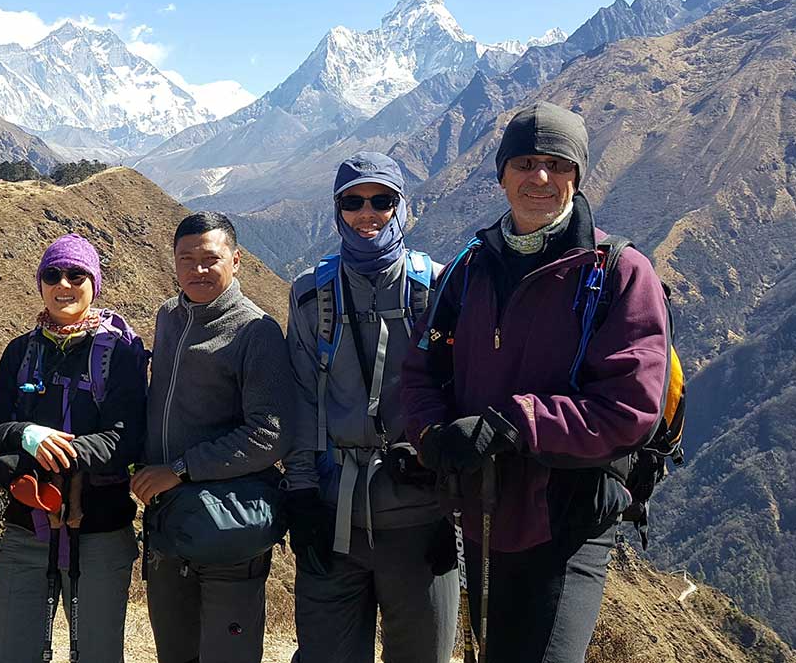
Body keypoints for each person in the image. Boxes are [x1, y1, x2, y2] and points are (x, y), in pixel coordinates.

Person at [401, 102, 670, 662]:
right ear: (502, 175)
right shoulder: (468, 269)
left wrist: (514, 424)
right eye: (524, 162)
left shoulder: (618, 273)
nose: (540, 178)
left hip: (568, 519)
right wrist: (433, 435)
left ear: (578, 174)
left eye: (557, 163)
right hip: (482, 511)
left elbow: (631, 406)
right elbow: (422, 370)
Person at [283, 152, 458, 663]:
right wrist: (301, 495)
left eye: (382, 200)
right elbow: (300, 397)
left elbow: (460, 395)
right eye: (353, 202)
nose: (367, 214)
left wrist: (453, 505)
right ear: (337, 211)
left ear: (404, 207)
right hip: (333, 514)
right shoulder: (309, 296)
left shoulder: (438, 289)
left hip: (421, 514)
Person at [0, 234, 149, 663]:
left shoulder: (121, 351)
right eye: (52, 274)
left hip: (99, 530)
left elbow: (123, 439)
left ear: (95, 282)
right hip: (26, 526)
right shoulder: (21, 351)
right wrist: (27, 434)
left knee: (96, 652)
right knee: (6, 652)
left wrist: (51, 452)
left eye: (77, 274)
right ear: (40, 283)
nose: (64, 283)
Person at [132, 211, 288, 663]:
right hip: (167, 525)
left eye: (210, 259)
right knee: (175, 652)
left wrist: (179, 470)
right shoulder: (168, 316)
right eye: (187, 259)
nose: (198, 270)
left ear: (236, 261)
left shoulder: (256, 331)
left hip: (227, 526)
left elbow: (269, 434)